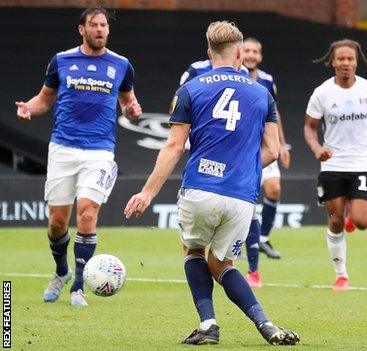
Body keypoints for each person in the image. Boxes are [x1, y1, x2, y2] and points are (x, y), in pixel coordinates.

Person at [124, 21, 299, 345]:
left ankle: (208, 324)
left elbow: (175, 146)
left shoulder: (191, 89)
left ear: (209, 52)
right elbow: (273, 151)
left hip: (201, 187)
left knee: (194, 251)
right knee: (223, 263)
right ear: (238, 54)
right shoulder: (262, 94)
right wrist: (241, 167)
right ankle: (266, 323)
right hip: (241, 196)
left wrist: (147, 192)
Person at [15, 6, 142, 307]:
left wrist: (133, 112)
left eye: (104, 25)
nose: (100, 29)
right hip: (63, 148)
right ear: (82, 30)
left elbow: (129, 103)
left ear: (108, 30)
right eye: (93, 25)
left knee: (87, 213)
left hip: (99, 150)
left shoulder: (121, 65)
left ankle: (79, 286)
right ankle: (62, 272)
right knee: (58, 223)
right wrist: (28, 109)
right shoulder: (62, 60)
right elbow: (44, 99)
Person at [303, 39, 367, 291]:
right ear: (332, 62)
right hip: (332, 165)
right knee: (335, 221)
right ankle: (341, 275)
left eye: (349, 59)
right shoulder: (322, 93)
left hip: (361, 163)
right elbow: (309, 127)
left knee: (362, 222)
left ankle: (354, 215)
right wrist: (317, 148)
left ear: (356, 61)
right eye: (341, 59)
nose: (345, 63)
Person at [243, 37, 291, 262]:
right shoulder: (234, 77)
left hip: (265, 146)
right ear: (239, 53)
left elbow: (275, 112)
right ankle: (240, 241)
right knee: (244, 197)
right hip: (242, 148)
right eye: (247, 50)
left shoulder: (268, 81)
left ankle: (262, 238)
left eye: (255, 51)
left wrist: (281, 143)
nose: (251, 55)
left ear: (260, 56)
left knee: (274, 189)